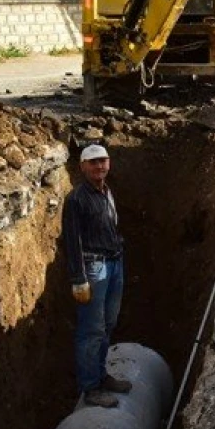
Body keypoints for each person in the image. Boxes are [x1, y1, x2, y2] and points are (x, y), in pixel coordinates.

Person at [61, 144, 133, 408]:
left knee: (108, 323)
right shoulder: (76, 199)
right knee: (91, 329)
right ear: (82, 167)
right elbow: (71, 241)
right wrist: (78, 278)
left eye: (102, 161)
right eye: (93, 163)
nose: (99, 166)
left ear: (109, 163)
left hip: (114, 263)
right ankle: (90, 388)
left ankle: (101, 375)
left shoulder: (106, 192)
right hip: (94, 267)